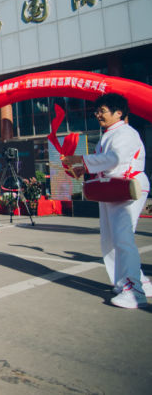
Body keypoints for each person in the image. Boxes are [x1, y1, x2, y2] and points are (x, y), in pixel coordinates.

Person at [63, 93, 151, 309]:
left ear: (118, 113)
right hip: (112, 189)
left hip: (127, 187)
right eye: (98, 111)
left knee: (122, 237)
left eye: (102, 111)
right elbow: (105, 163)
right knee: (110, 240)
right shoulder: (108, 135)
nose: (98, 115)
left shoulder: (126, 133)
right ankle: (131, 282)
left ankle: (133, 290)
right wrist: (83, 168)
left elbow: (115, 159)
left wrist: (81, 160)